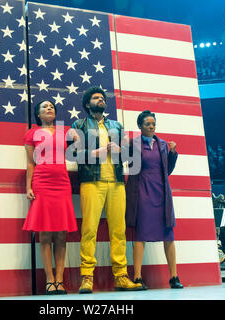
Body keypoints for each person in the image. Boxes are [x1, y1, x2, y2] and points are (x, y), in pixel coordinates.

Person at [70, 86, 143, 293]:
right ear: (87, 104)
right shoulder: (78, 125)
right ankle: (87, 278)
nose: (100, 99)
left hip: (117, 183)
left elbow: (131, 156)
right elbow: (72, 155)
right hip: (92, 183)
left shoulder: (117, 126)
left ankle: (121, 277)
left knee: (119, 231)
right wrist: (96, 152)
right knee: (89, 230)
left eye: (102, 97)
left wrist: (122, 150)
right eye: (95, 97)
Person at [22, 100, 77, 295]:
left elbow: (79, 152)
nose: (49, 108)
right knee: (44, 232)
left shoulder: (66, 131)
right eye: (44, 106)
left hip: (62, 183)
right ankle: (49, 279)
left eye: (52, 106)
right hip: (42, 183)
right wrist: (28, 186)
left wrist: (77, 140)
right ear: (38, 114)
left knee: (62, 233)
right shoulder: (31, 134)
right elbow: (30, 163)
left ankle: (60, 280)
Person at [125, 110, 183, 289]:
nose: (151, 126)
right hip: (142, 191)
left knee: (169, 235)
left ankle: (174, 277)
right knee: (141, 235)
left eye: (153, 124)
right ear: (140, 126)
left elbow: (168, 170)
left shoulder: (164, 145)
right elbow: (129, 164)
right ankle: (137, 277)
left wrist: (173, 153)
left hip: (162, 192)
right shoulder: (133, 144)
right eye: (147, 124)